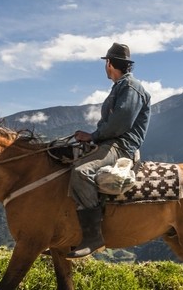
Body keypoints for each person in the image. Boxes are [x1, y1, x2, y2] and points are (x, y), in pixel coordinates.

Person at [67, 42, 151, 259]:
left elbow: (120, 123)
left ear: (110, 64)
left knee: (80, 172)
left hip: (120, 146)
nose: (106, 67)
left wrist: (93, 136)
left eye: (106, 63)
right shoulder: (122, 86)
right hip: (110, 143)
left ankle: (94, 237)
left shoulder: (131, 87)